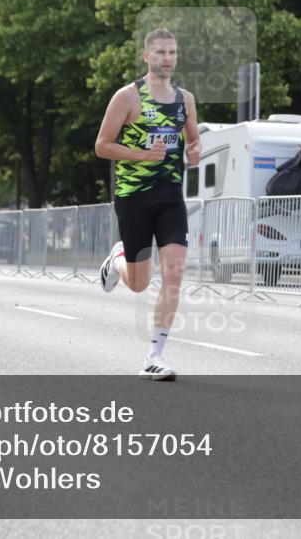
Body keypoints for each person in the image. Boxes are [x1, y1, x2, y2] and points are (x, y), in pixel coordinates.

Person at [94, 28, 201, 381]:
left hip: (171, 198)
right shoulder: (127, 97)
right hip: (133, 198)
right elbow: (102, 146)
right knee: (140, 283)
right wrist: (142, 155)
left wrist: (195, 151)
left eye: (172, 52)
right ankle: (118, 259)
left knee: (174, 274)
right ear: (146, 57)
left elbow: (193, 139)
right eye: (159, 53)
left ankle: (155, 356)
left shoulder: (185, 98)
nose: (166, 59)